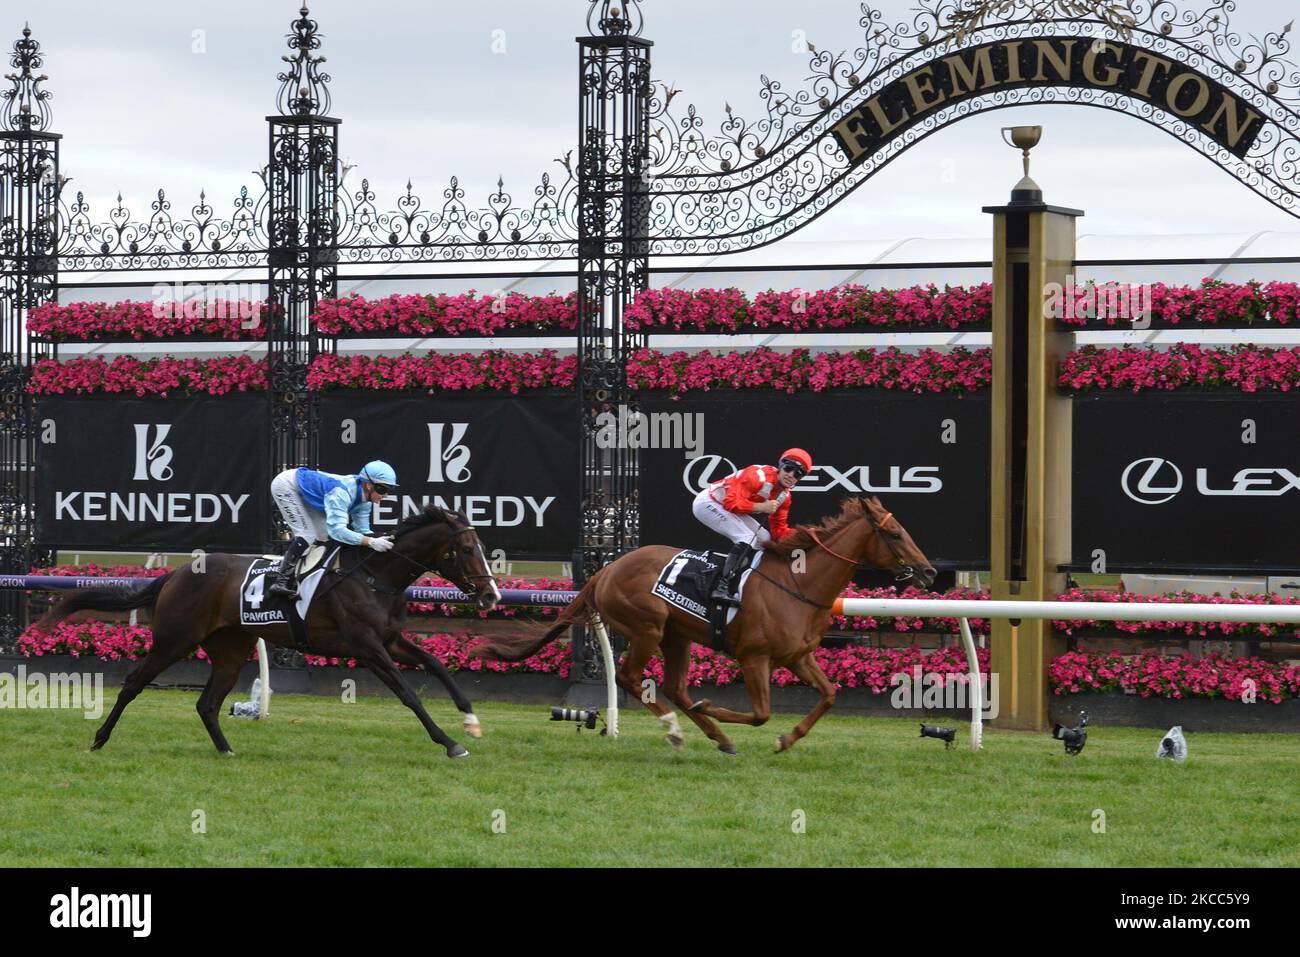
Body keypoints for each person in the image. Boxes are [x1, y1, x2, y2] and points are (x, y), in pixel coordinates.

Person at [691, 448, 813, 606]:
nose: (791, 475)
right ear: (780, 466)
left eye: (798, 474)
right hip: (708, 502)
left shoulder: (785, 496)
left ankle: (747, 581)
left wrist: (806, 535)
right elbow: (731, 502)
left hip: (726, 507)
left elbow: (779, 532)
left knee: (764, 539)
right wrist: (762, 507)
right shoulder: (757, 476)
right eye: (789, 468)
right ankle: (722, 587)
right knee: (746, 537)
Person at [266, 460, 400, 599]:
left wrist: (378, 539)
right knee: (307, 535)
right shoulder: (341, 493)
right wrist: (371, 542)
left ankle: (306, 575)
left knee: (323, 536)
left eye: (390, 490)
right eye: (383, 489)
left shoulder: (365, 501)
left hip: (306, 491)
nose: (386, 495)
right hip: (286, 485)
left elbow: (363, 531)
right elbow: (337, 532)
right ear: (368, 485)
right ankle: (281, 581)